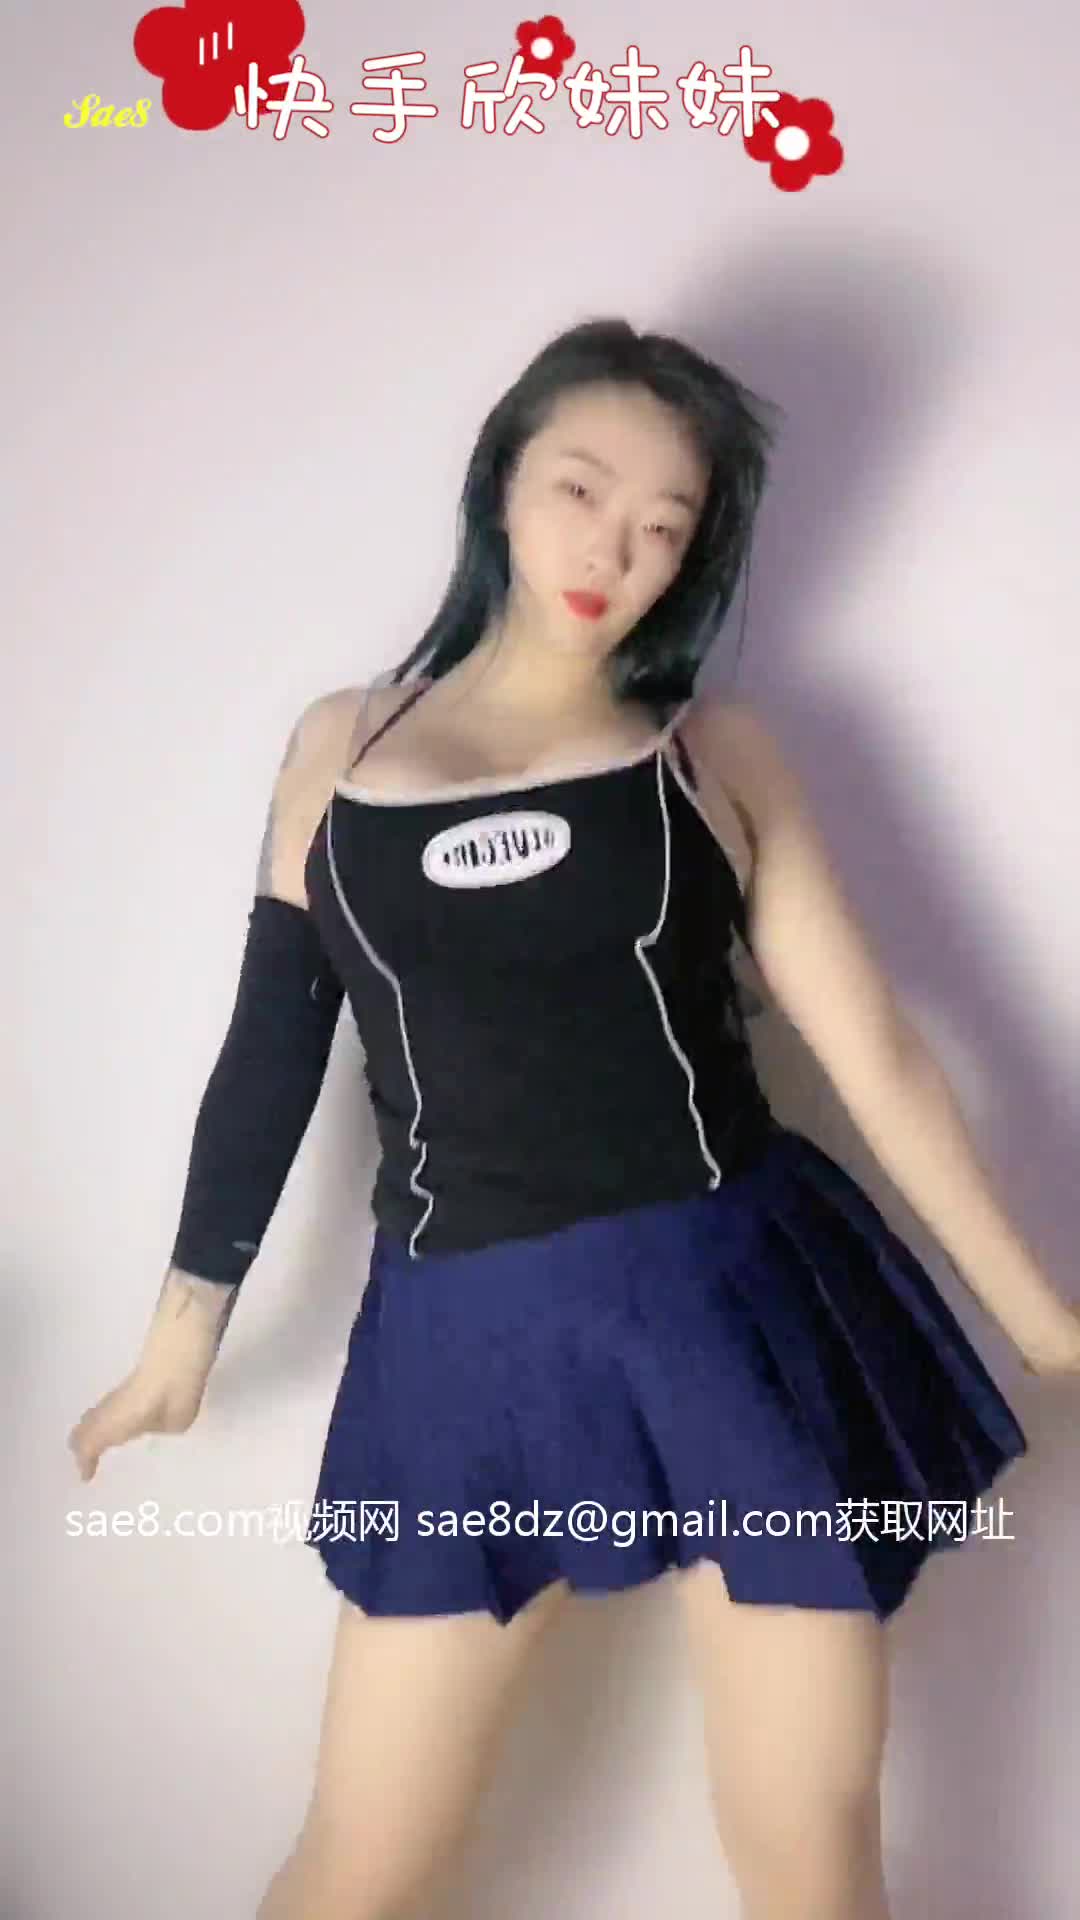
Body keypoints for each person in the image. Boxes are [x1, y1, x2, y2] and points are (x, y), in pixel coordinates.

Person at [68, 317, 1078, 1920]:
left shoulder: (715, 755)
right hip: (468, 1353)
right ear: (501, 483)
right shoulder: (340, 747)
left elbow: (881, 1056)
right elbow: (271, 1050)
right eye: (582, 491)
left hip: (739, 1318)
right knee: (363, 1862)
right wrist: (181, 1340)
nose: (615, 549)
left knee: (811, 1859)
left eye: (666, 525)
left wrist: (1048, 1328)